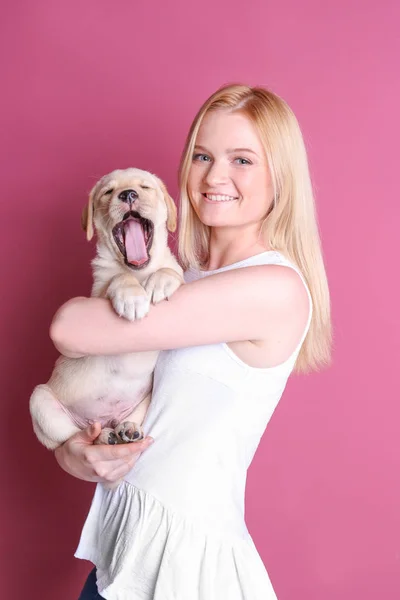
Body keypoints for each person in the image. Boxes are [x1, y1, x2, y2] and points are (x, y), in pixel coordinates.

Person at [51, 84, 332, 600]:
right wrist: (74, 452)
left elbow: (68, 328)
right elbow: (130, 401)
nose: (213, 176)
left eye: (242, 159)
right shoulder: (187, 278)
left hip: (186, 572)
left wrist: (89, 305)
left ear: (280, 177)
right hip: (125, 558)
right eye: (202, 155)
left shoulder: (273, 287)